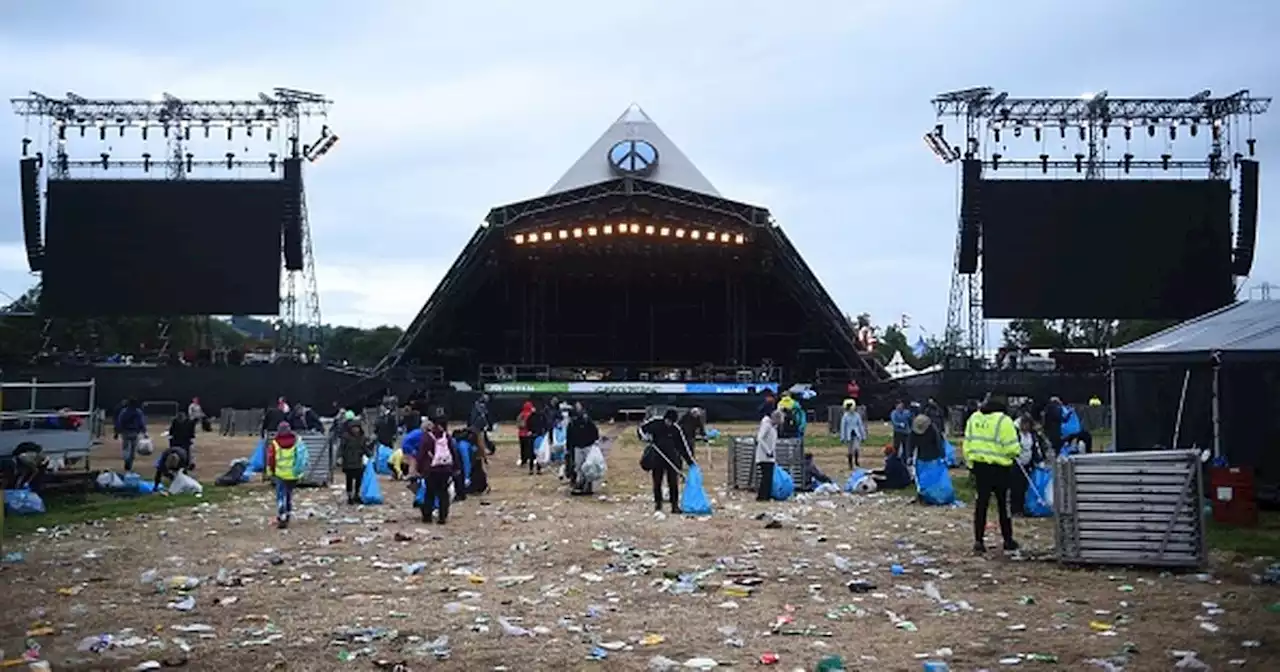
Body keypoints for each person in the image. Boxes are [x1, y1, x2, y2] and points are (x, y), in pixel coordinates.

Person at [964, 393, 1021, 554]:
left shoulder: (974, 419)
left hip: (980, 468)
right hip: (1001, 469)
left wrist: (971, 464)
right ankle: (1008, 539)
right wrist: (1015, 453)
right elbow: (1012, 447)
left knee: (981, 505)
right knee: (1004, 506)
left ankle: (978, 541)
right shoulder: (1004, 421)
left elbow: (967, 443)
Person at [640, 409, 693, 512]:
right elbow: (641, 429)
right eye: (668, 421)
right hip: (657, 458)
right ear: (665, 418)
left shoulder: (676, 430)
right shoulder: (655, 423)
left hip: (672, 459)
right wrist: (645, 437)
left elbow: (683, 447)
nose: (669, 424)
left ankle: (674, 506)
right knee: (657, 482)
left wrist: (690, 462)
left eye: (672, 422)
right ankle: (658, 504)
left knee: (673, 482)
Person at [266, 421, 309, 529]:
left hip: (280, 473)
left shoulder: (275, 443)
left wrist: (270, 471)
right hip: (293, 474)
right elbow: (302, 456)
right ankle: (288, 513)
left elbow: (271, 459)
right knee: (289, 494)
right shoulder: (297, 441)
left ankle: (282, 513)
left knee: (281, 494)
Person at [417, 420, 461, 524]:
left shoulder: (427, 437)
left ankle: (427, 517)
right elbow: (453, 452)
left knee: (429, 493)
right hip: (445, 469)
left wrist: (420, 469)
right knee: (443, 493)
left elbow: (421, 454)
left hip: (431, 469)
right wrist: (456, 468)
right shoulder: (447, 437)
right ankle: (442, 517)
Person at [1011, 414, 1048, 516]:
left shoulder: (1032, 436)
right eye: (1025, 425)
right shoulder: (1016, 434)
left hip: (1027, 464)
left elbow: (1035, 449)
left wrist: (1039, 461)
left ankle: (1023, 508)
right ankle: (1015, 509)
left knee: (1024, 487)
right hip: (1017, 465)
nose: (1026, 427)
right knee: (1016, 488)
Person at [567, 403, 600, 495]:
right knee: (579, 467)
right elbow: (569, 436)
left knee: (587, 466)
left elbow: (595, 432)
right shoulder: (574, 422)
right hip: (579, 446)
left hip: (586, 446)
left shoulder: (586, 421)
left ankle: (587, 485)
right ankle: (581, 484)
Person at [339, 421, 374, 505]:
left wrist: (369, 454)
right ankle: (349, 496)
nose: (356, 430)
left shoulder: (362, 437)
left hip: (358, 462)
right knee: (349, 479)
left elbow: (364, 447)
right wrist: (339, 457)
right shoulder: (346, 437)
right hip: (348, 462)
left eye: (357, 428)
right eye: (354, 428)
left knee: (359, 479)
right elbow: (341, 448)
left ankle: (356, 495)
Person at [114, 398, 148, 472]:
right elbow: (141, 423)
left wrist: (116, 432)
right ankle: (130, 463)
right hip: (135, 432)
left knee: (125, 448)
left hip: (125, 432)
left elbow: (119, 422)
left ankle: (126, 460)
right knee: (133, 449)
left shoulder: (124, 411)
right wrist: (145, 432)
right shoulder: (138, 412)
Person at [754, 410, 781, 501]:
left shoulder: (773, 427)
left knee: (768, 477)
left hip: (770, 457)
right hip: (764, 456)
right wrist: (768, 451)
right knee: (766, 477)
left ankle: (766, 495)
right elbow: (760, 438)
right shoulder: (766, 425)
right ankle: (762, 496)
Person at [839, 401, 866, 469]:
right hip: (848, 435)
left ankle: (856, 461)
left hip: (856, 434)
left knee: (856, 448)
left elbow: (860, 425)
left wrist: (863, 436)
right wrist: (842, 437)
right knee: (850, 450)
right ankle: (850, 464)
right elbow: (843, 427)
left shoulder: (857, 415)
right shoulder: (845, 416)